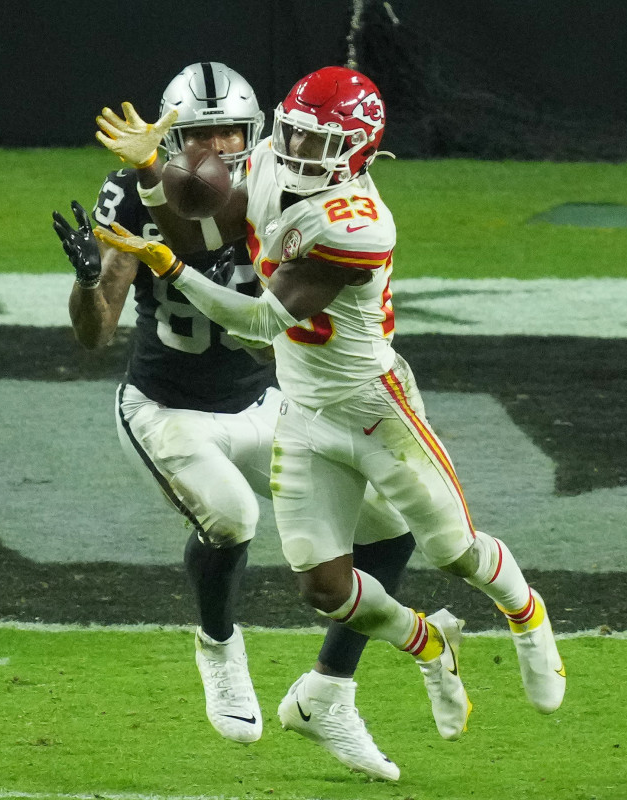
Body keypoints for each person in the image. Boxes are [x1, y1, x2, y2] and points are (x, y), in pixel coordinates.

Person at [93, 65, 567, 776]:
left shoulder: (359, 222)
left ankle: (527, 613)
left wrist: (167, 263)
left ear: (358, 152)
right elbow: (211, 225)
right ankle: (422, 650)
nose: (298, 150)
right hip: (304, 410)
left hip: (374, 404)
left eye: (318, 142)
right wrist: (157, 175)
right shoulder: (269, 165)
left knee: (450, 549)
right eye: (295, 132)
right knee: (324, 589)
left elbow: (258, 316)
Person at [54, 62, 416, 777]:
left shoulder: (287, 182)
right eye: (201, 133)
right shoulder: (137, 191)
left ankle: (330, 694)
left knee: (391, 528)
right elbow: (97, 334)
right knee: (231, 518)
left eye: (232, 132)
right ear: (170, 137)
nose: (219, 146)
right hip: (168, 408)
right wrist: (89, 279)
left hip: (264, 397)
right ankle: (219, 645)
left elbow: (251, 277)